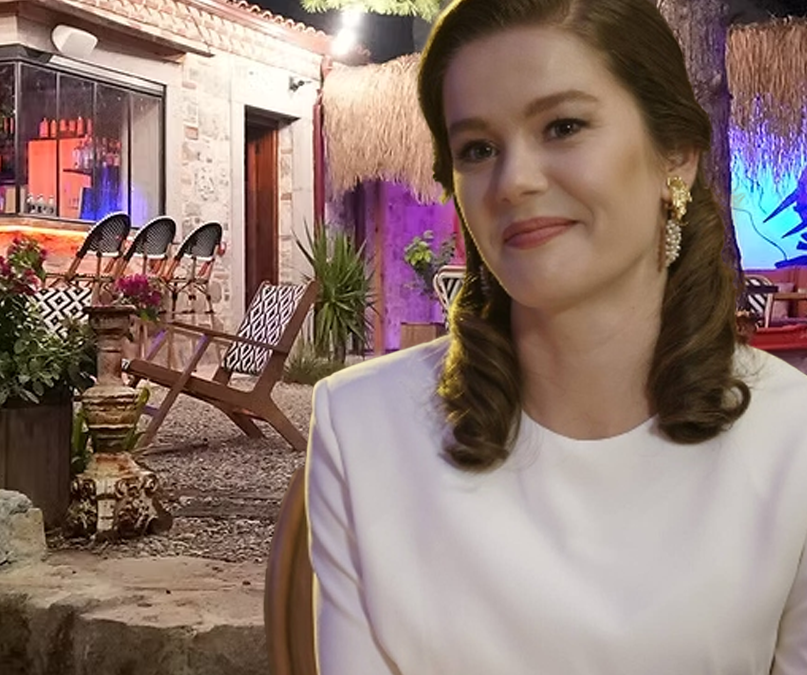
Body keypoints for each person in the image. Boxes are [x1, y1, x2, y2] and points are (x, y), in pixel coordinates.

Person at [305, 0, 807, 673]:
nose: (515, 181)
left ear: (677, 158)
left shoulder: (790, 440)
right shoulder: (362, 428)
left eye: (563, 127)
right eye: (478, 149)